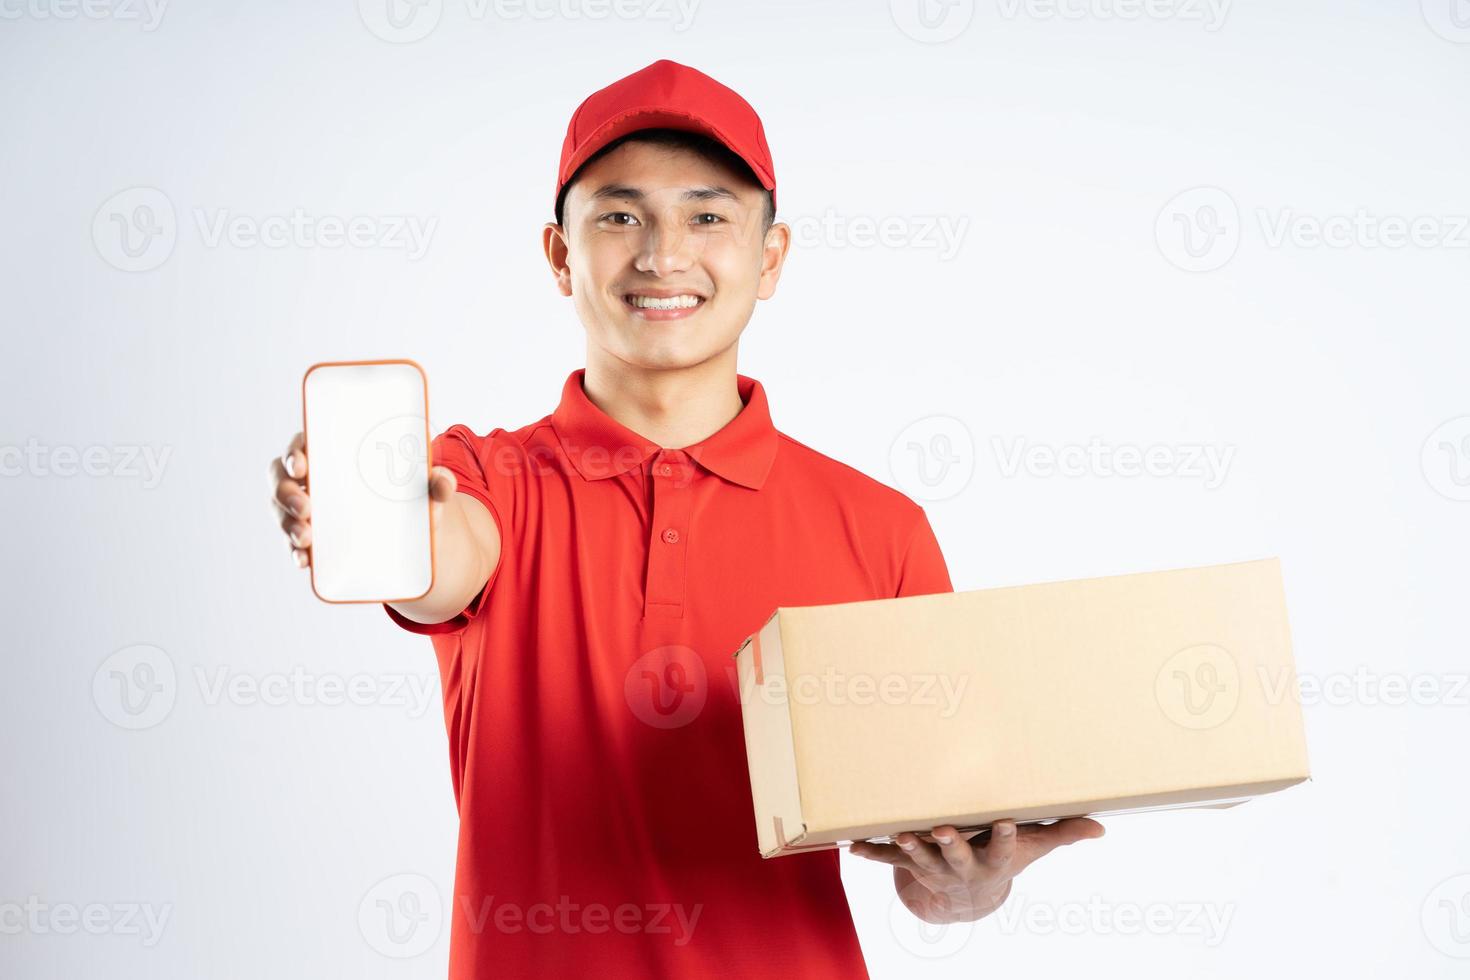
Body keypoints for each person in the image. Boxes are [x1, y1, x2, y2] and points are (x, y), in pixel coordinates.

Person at [268, 58, 1103, 979]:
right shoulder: (484, 477)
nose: (663, 255)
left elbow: (926, 858)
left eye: (707, 217)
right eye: (619, 216)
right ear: (560, 256)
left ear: (769, 257)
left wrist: (968, 884)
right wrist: (376, 527)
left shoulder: (882, 529)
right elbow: (441, 557)